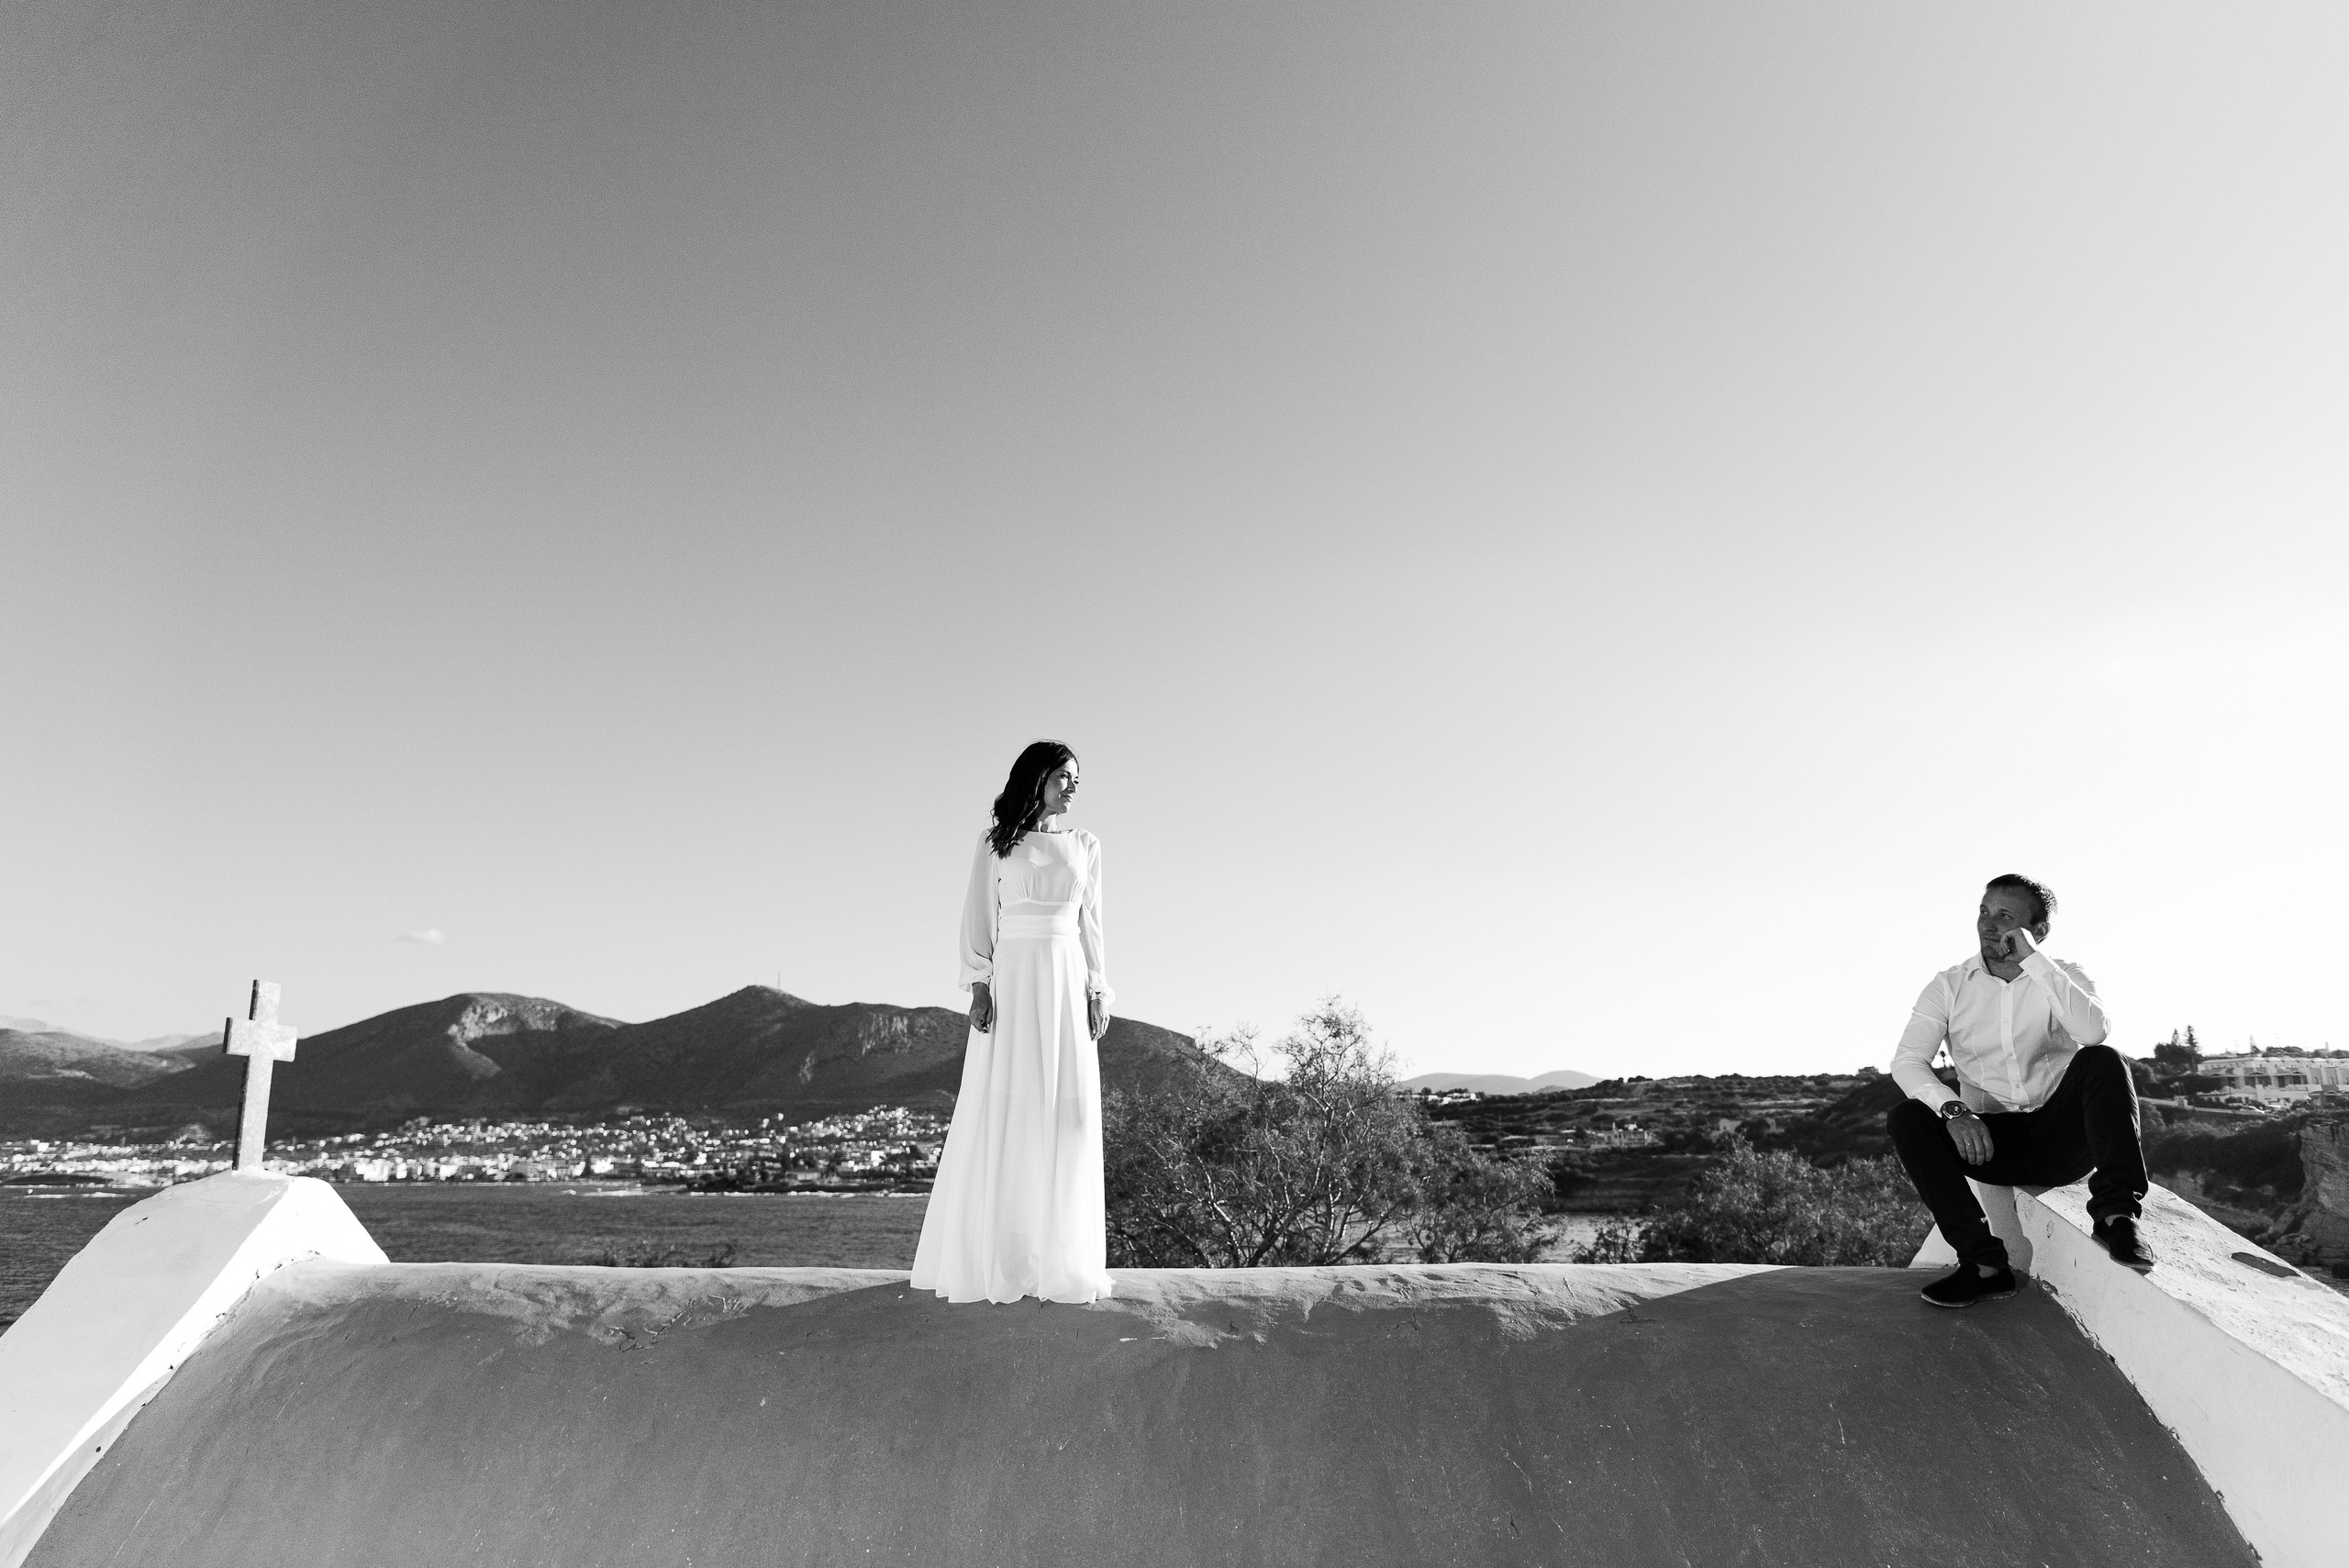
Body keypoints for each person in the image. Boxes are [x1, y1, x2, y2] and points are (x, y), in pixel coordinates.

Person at [1886, 873, 2152, 1308]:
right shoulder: (1948, 986)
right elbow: (1908, 1062)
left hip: (2063, 1141)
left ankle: (2116, 1216)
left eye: (2005, 916)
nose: (1988, 925)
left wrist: (2034, 961)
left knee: (2103, 1059)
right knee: (1907, 1117)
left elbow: (2093, 1031)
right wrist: (1954, 1111)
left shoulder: (2064, 976)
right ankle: (1984, 1266)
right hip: (1989, 1144)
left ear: (2038, 930)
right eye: (1984, 912)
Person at [909, 740, 1115, 1305]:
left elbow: (1091, 924)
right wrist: (978, 983)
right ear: (1037, 778)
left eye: (1077, 779)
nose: (1073, 787)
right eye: (1065, 777)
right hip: (1014, 979)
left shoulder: (1087, 845)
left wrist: (1098, 988)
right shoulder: (995, 842)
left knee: (1065, 1113)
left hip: (1068, 981)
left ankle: (1061, 1258)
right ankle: (1000, 1257)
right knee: (1007, 1106)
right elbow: (978, 916)